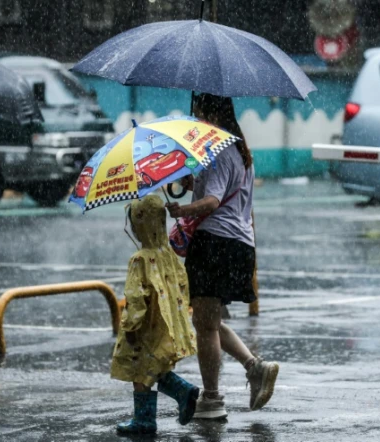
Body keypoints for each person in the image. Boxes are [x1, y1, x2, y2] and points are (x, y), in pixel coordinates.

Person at [167, 93, 279, 419]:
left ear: (207, 110)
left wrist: (181, 209)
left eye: (198, 110)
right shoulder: (240, 149)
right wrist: (190, 181)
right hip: (238, 245)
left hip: (215, 242)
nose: (195, 115)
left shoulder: (216, 150)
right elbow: (214, 189)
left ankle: (212, 400)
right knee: (208, 321)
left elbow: (213, 201)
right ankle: (255, 368)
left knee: (204, 325)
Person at [112, 195, 199, 435]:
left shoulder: (140, 259)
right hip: (165, 323)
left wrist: (131, 326)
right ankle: (182, 391)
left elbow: (136, 297)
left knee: (140, 368)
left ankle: (145, 419)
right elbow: (182, 284)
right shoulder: (169, 254)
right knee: (154, 364)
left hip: (145, 325)